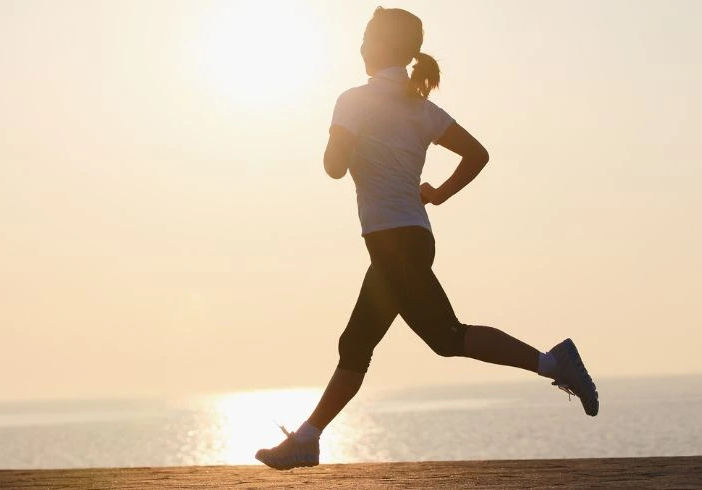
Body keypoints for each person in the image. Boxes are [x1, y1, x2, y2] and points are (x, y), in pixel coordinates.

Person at [255, 7, 598, 471]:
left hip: (394, 243)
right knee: (357, 344)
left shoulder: (353, 101)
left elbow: (334, 168)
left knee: (446, 337)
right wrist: (436, 194)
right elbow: (477, 154)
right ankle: (308, 438)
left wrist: (345, 140)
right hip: (407, 239)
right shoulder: (421, 108)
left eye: (366, 39)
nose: (359, 47)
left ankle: (556, 363)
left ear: (381, 48)